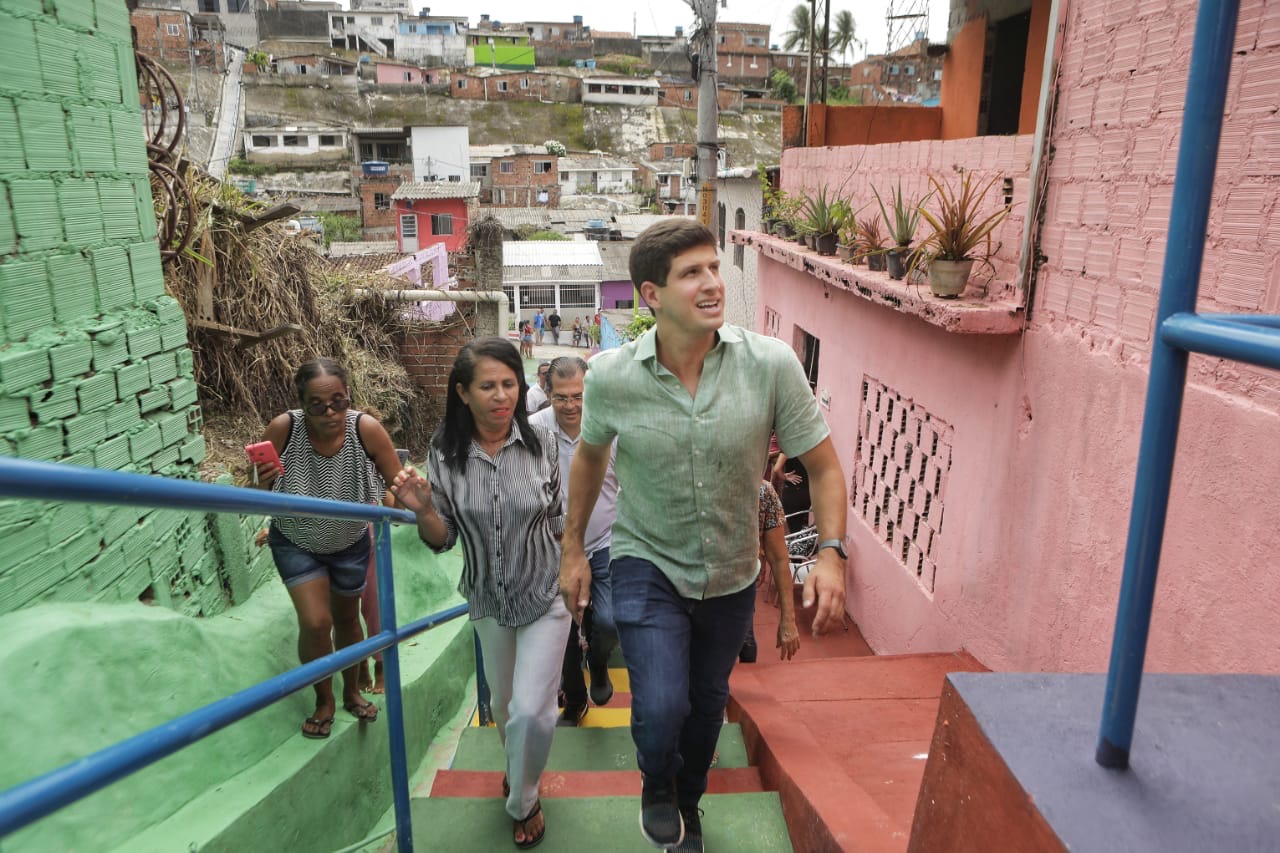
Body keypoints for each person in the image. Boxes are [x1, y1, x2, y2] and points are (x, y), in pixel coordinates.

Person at [558, 219, 848, 852]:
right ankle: (656, 785)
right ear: (650, 295)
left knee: (705, 707)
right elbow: (589, 458)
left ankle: (688, 804)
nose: (713, 283)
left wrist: (830, 552)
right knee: (661, 707)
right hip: (646, 560)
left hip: (731, 572)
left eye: (715, 268)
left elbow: (823, 466)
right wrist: (574, 545)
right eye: (692, 273)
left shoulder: (770, 365)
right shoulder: (610, 376)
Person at [392, 337, 568, 850]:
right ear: (463, 393)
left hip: (544, 593)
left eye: (509, 383)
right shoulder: (443, 454)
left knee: (533, 712)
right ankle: (518, 774)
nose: (500, 395)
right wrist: (423, 508)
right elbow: (443, 538)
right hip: (488, 600)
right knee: (508, 706)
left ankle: (523, 797)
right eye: (487, 386)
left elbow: (558, 518)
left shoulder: (544, 442)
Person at [250, 358, 403, 739]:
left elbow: (396, 488)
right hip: (296, 540)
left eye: (338, 401)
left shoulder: (365, 429)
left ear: (348, 396)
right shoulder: (284, 429)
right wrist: (261, 481)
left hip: (350, 542)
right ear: (302, 403)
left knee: (348, 620)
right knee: (317, 622)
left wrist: (405, 501)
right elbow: (255, 498)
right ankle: (325, 699)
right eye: (318, 404)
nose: (331, 412)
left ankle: (351, 691)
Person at [530, 357, 620, 727]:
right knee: (560, 631)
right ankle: (575, 699)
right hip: (553, 547)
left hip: (605, 543)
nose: (571, 406)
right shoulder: (533, 431)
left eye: (579, 396)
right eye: (562, 397)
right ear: (547, 393)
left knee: (611, 622)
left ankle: (598, 664)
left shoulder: (612, 428)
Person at [739, 479, 801, 663]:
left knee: (746, 643)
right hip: (690, 590)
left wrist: (788, 620)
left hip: (740, 586)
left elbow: (780, 559)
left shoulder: (763, 491)